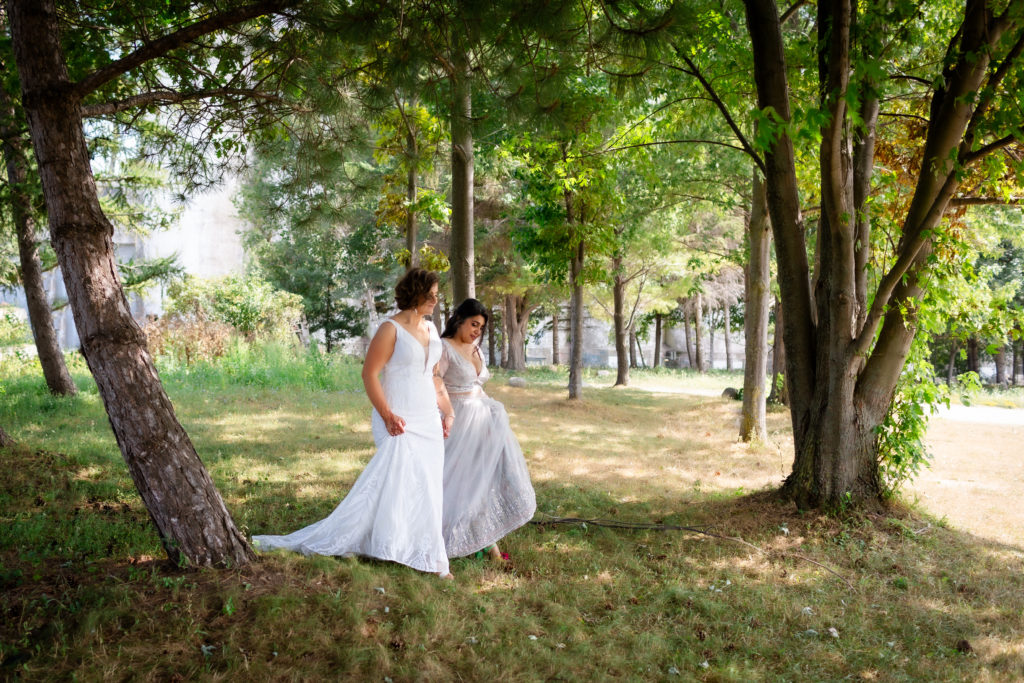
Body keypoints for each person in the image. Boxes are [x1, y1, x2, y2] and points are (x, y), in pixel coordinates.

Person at [253, 268, 455, 578]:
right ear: (415, 294)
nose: (435, 301)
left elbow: (434, 376)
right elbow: (369, 374)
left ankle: (407, 545)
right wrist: (387, 414)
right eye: (430, 295)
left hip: (427, 417)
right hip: (396, 416)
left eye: (437, 296)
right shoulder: (390, 329)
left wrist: (447, 410)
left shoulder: (431, 328)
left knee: (426, 483)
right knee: (399, 478)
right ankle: (432, 560)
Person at [438, 298, 536, 562]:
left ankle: (484, 540)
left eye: (480, 328)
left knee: (482, 481)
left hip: (483, 421)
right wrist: (446, 415)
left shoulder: (475, 349)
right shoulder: (444, 348)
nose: (476, 332)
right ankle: (447, 538)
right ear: (458, 319)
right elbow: (434, 385)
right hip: (458, 421)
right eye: (473, 324)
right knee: (457, 483)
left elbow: (478, 384)